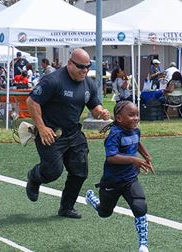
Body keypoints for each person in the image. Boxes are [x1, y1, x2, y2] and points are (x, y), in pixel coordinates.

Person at [25, 48, 110, 219]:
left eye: (87, 67)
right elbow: (32, 101)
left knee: (80, 172)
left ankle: (66, 207)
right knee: (53, 172)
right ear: (70, 63)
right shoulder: (53, 80)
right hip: (51, 133)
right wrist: (41, 128)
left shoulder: (88, 83)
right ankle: (34, 178)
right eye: (81, 67)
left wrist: (101, 112)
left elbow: (94, 106)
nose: (84, 71)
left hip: (73, 133)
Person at [85, 101, 154, 252]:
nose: (136, 118)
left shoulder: (135, 130)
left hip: (130, 179)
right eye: (131, 115)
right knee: (104, 212)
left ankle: (143, 244)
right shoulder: (114, 134)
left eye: (137, 115)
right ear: (119, 118)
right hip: (112, 181)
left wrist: (146, 156)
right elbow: (112, 157)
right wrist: (134, 159)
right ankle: (92, 199)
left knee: (140, 206)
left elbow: (137, 142)